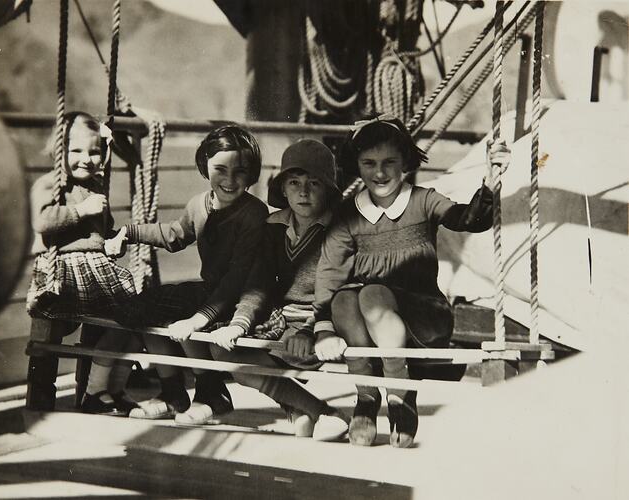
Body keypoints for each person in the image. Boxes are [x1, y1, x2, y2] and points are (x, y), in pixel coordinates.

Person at [312, 114, 510, 448]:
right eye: (369, 163)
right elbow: (329, 272)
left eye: (390, 162)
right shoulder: (348, 214)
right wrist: (323, 328)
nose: (380, 173)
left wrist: (489, 183)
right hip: (373, 323)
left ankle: (400, 393)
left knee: (372, 293)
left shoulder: (424, 201)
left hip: (423, 317)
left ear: (405, 161)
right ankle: (367, 395)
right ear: (357, 166)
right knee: (345, 299)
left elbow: (467, 220)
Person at [107, 124, 269, 421]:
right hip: (210, 292)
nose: (230, 180)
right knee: (140, 309)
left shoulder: (254, 214)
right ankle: (172, 391)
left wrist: (199, 318)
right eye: (220, 169)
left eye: (241, 171)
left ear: (253, 172)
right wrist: (128, 233)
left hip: (238, 298)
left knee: (186, 315)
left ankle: (212, 394)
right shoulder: (199, 204)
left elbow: (237, 278)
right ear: (204, 166)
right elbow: (174, 235)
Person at [203, 139, 347, 440]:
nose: (303, 192)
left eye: (314, 183)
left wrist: (314, 329)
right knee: (222, 348)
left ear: (329, 190)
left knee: (269, 355)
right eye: (294, 183)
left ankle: (317, 413)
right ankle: (314, 410)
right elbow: (259, 282)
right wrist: (239, 323)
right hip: (282, 319)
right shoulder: (274, 226)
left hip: (322, 321)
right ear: (282, 189)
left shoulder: (339, 230)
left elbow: (338, 291)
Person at [27, 111, 141, 415]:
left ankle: (109, 390)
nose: (87, 159)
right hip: (66, 271)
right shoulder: (51, 184)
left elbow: (102, 227)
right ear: (59, 151)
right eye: (76, 151)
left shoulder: (96, 185)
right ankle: (89, 394)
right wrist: (80, 209)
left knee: (134, 320)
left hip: (97, 267)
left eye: (94, 151)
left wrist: (113, 240)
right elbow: (43, 221)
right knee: (120, 318)